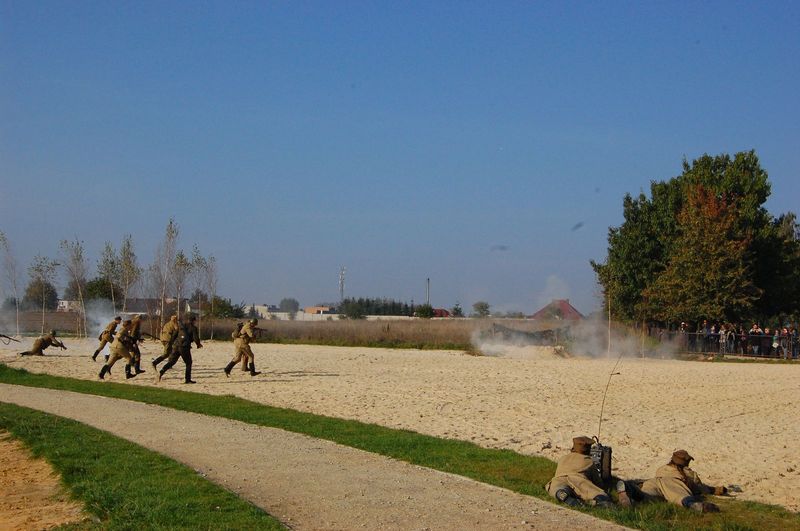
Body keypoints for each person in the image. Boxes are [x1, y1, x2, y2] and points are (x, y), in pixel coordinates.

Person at [636, 450, 724, 513]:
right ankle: (695, 505)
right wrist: (715, 489)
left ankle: (632, 497)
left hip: (653, 482)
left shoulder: (662, 468)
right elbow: (698, 487)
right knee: (680, 496)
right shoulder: (686, 473)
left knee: (646, 496)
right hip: (672, 483)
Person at [545, 436, 614, 508]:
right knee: (594, 492)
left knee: (557, 487)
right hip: (578, 479)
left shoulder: (563, 458)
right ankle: (601, 501)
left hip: (559, 479)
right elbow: (598, 482)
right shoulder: (588, 461)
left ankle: (561, 493)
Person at [155, 313, 202, 384]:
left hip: (176, 346)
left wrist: (171, 344)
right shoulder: (193, 328)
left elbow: (174, 335)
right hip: (184, 347)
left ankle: (161, 372)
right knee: (189, 363)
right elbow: (196, 338)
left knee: (171, 362)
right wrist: (198, 344)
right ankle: (187, 379)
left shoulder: (181, 326)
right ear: (194, 321)